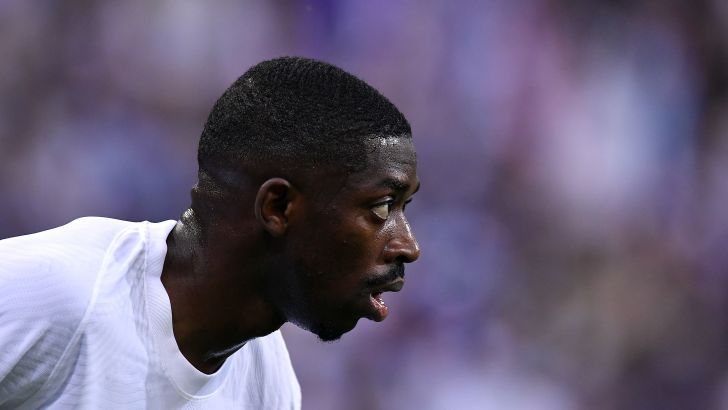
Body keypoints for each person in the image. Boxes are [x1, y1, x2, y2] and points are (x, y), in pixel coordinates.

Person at [0, 57, 421, 408]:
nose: (409, 246)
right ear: (277, 207)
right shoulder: (60, 293)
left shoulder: (267, 384)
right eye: (382, 206)